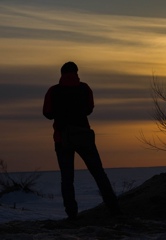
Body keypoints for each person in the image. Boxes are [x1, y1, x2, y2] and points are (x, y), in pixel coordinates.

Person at [43, 61, 120, 219]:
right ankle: (114, 209)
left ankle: (72, 214)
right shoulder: (84, 88)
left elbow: (47, 113)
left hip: (61, 139)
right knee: (98, 173)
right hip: (84, 136)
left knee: (67, 178)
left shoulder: (53, 91)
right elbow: (89, 109)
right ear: (76, 72)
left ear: (61, 73)